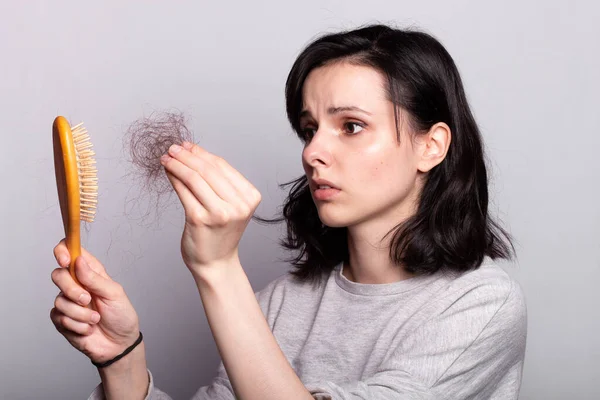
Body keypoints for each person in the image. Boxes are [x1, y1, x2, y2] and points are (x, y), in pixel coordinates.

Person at [50, 24, 527, 399]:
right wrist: (122, 360)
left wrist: (218, 270)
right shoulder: (280, 304)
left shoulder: (481, 306)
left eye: (352, 126)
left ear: (432, 146)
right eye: (308, 128)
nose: (313, 151)